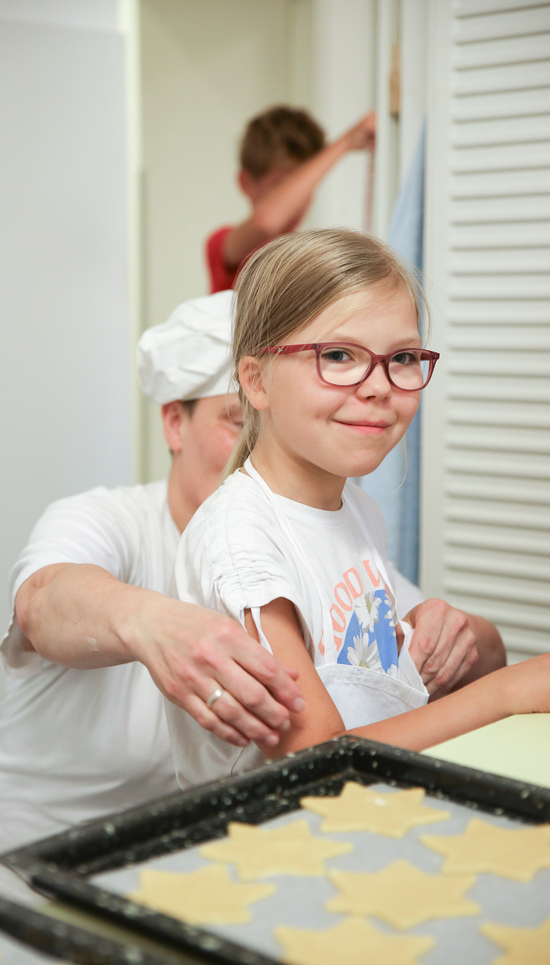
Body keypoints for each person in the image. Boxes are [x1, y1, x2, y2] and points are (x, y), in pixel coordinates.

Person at [0, 291, 498, 905]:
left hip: (165, 884)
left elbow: (457, 653)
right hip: (3, 873)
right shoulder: (113, 521)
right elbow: (44, 600)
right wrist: (150, 621)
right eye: (238, 420)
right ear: (175, 423)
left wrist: (457, 633)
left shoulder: (322, 534)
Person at [166, 228, 538, 791]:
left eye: (403, 358)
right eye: (338, 355)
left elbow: (360, 681)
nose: (379, 387)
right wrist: (507, 694)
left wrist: (413, 646)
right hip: (276, 836)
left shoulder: (355, 509)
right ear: (255, 381)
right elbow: (316, 762)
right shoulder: (241, 542)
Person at [206, 105, 375, 294]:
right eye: (282, 185)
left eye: (305, 184)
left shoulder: (306, 257)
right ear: (246, 183)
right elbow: (266, 222)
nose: (297, 201)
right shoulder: (220, 245)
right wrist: (346, 142)